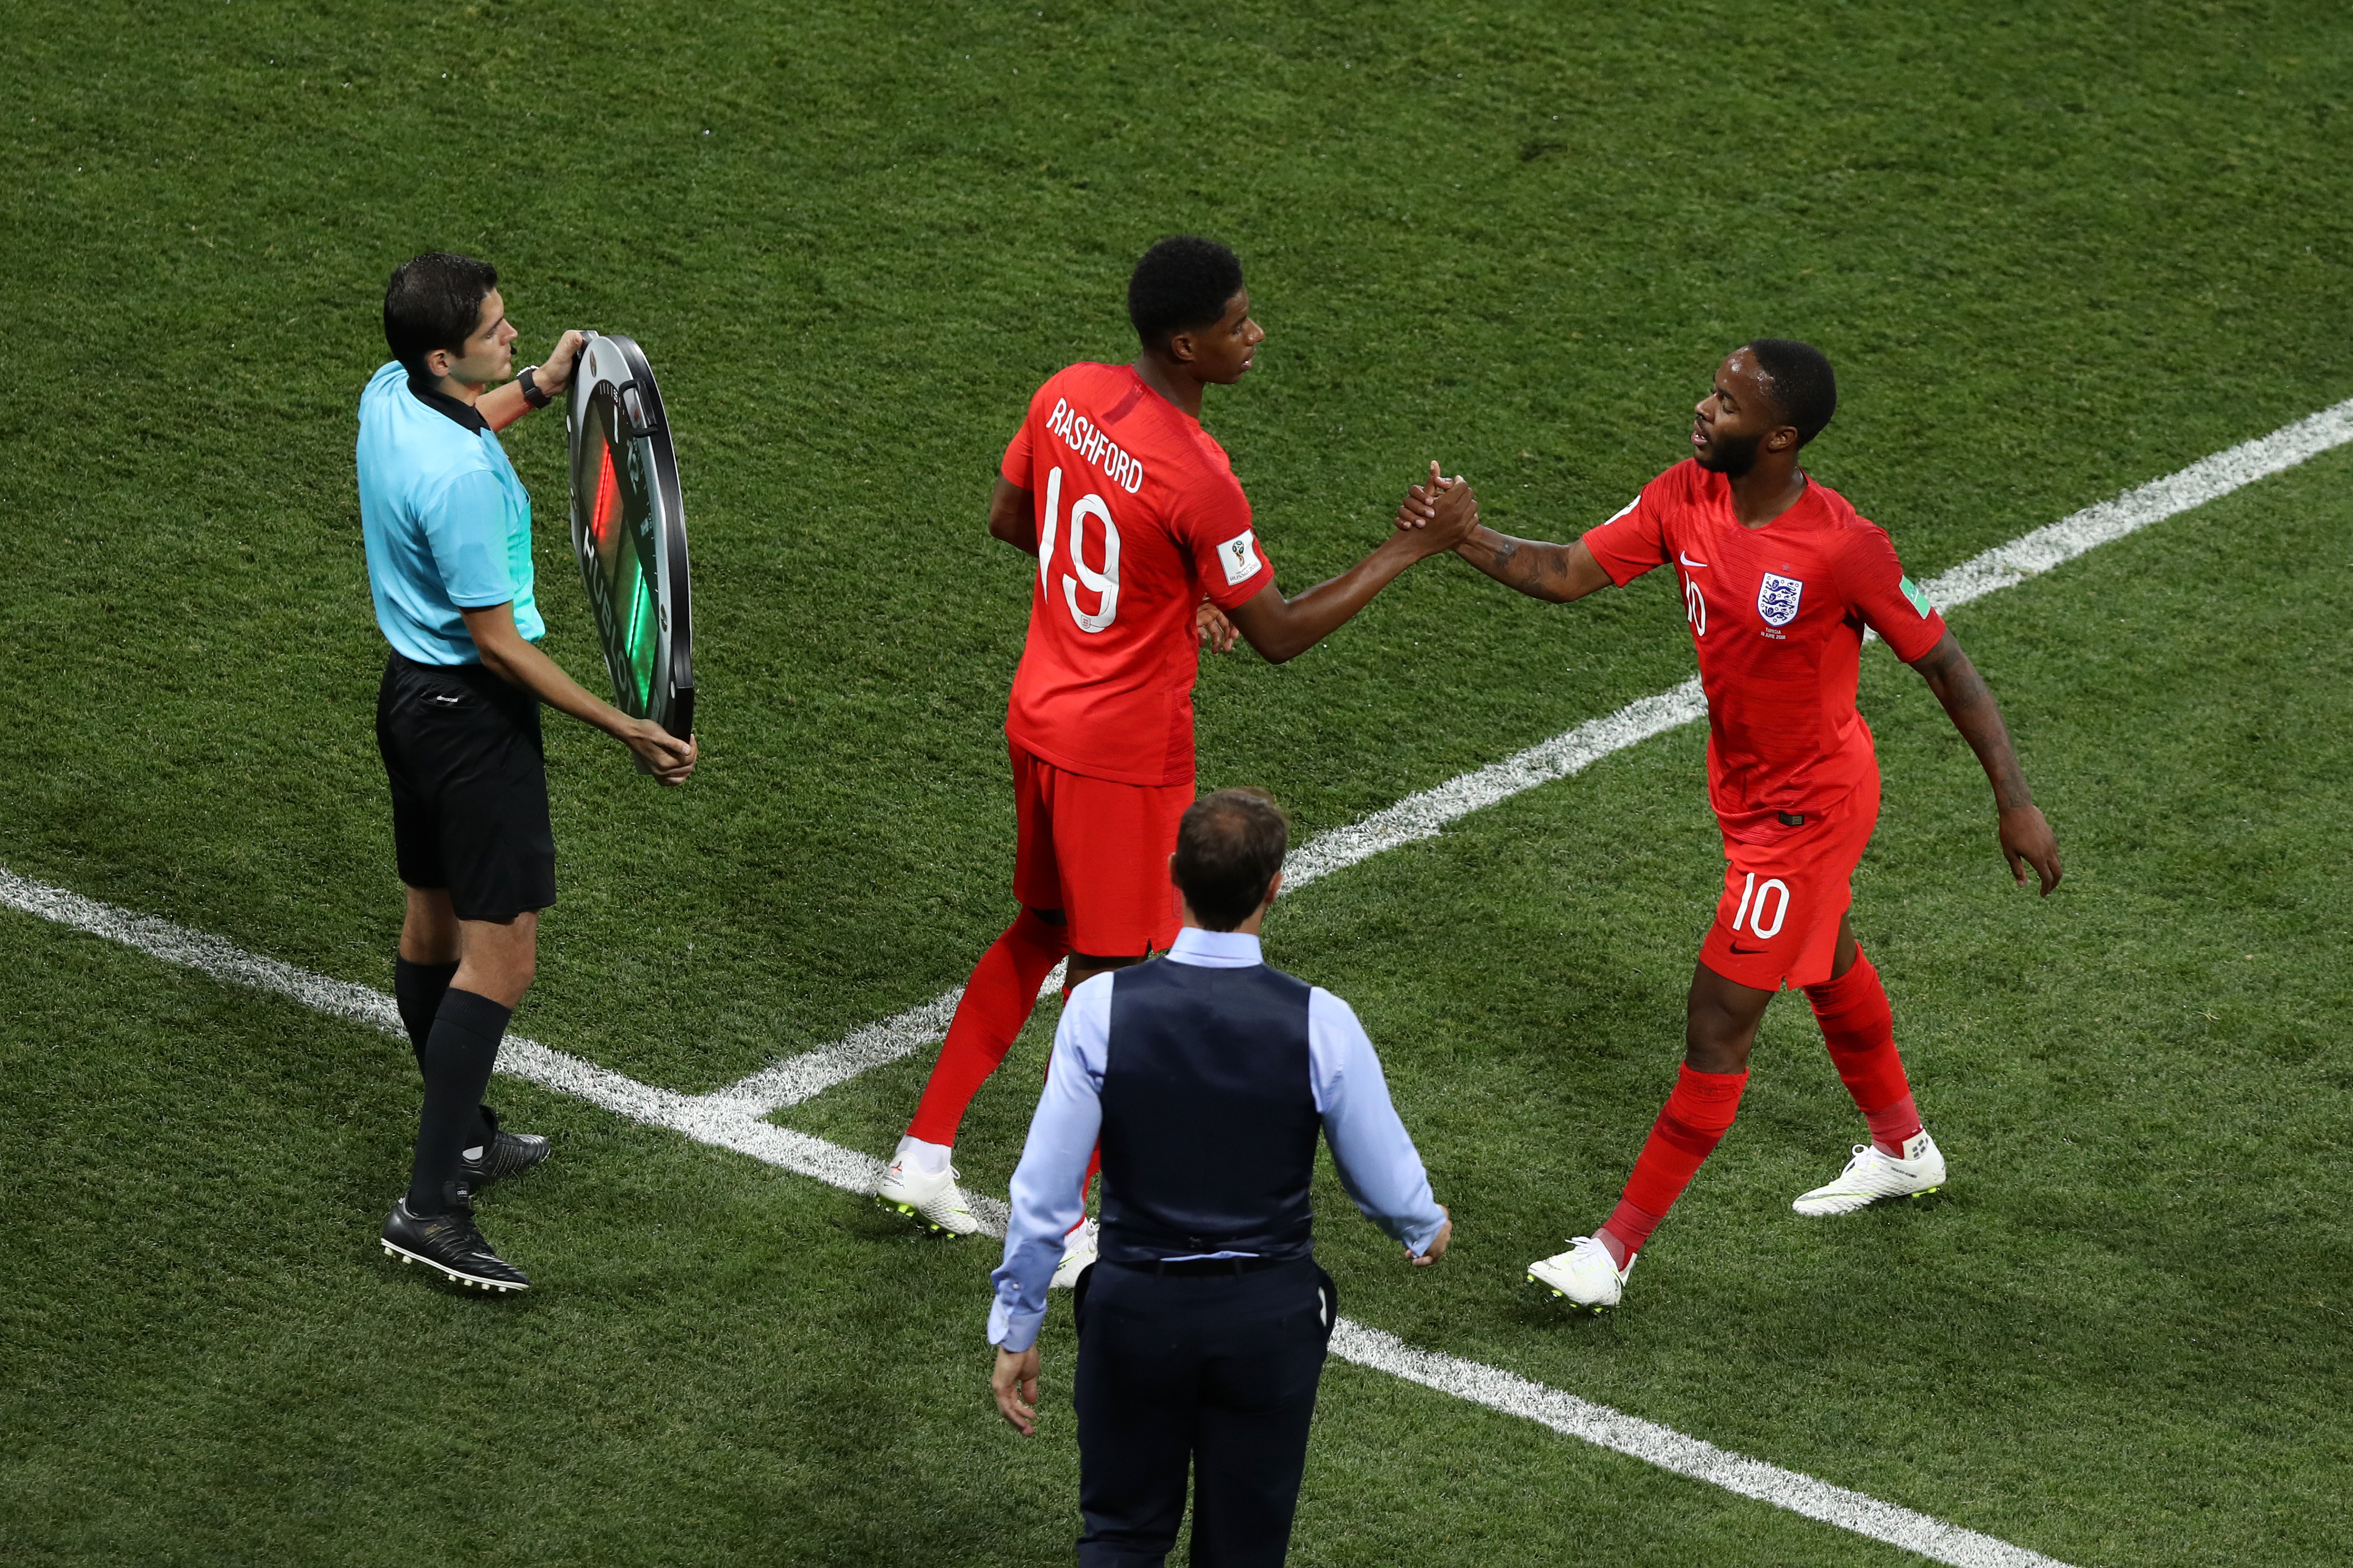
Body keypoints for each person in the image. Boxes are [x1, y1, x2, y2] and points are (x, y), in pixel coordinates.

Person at [1401, 339, 2061, 1310]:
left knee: (1719, 1019)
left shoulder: (1845, 546)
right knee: (1827, 955)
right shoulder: (1685, 495)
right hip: (1750, 794)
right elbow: (1568, 571)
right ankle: (1904, 1147)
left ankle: (1613, 1253)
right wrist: (1458, 534)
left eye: (1728, 403)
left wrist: (2014, 799)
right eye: (1712, 393)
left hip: (1811, 809)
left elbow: (1946, 663)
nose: (1705, 410)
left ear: (1781, 437)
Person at [876, 235, 1478, 1279]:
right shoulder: (1200, 478)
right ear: (1186, 342)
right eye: (1240, 323)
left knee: (1039, 931)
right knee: (1116, 993)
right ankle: (1066, 1229)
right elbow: (1281, 631)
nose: (1256, 334)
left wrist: (1172, 589)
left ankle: (925, 1154)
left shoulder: (1066, 392)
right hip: (1123, 755)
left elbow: (1013, 519)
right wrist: (1412, 548)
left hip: (1040, 714)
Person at [988, 789, 1452, 1566]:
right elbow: (1382, 1175)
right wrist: (1421, 1224)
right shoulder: (1321, 1019)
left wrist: (1018, 1324)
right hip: (1265, 1320)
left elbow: (1043, 1195)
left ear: (1174, 874)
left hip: (1137, 1309)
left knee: (1121, 1536)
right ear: (1275, 885)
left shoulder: (1099, 1007)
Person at [359, 252, 697, 1292]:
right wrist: (625, 725)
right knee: (500, 957)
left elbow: (473, 418)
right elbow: (501, 643)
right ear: (441, 353)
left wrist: (545, 385)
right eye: (497, 334)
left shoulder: (389, 397)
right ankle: (430, 1206)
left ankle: (460, 1142)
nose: (511, 337)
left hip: (409, 703)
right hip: (470, 721)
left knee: (432, 920)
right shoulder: (461, 485)